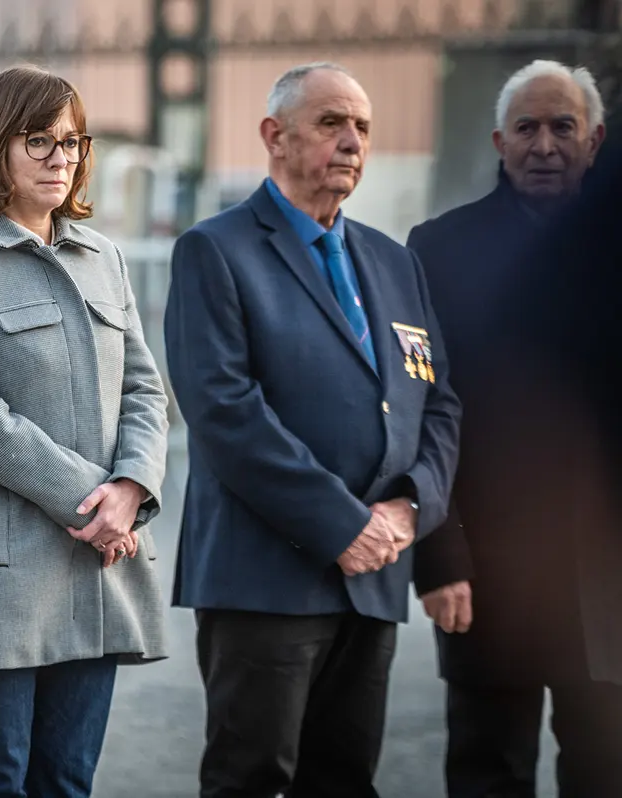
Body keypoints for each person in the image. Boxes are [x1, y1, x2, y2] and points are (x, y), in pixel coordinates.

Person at [164, 62, 462, 797]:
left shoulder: (394, 264)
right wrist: (340, 524)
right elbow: (224, 411)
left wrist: (410, 508)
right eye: (332, 123)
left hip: (374, 576)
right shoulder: (217, 250)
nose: (353, 141)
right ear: (275, 135)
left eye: (362, 127)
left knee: (346, 779)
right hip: (266, 578)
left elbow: (439, 402)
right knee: (251, 779)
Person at [0, 64, 170, 798]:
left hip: (99, 559)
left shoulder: (103, 257)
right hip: (6, 566)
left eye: (73, 142)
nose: (64, 159)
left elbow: (146, 389)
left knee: (65, 778)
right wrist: (96, 500)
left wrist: (132, 486)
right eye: (41, 142)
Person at [408, 59, 621, 797]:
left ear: (595, 141)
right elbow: (418, 409)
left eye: (564, 127)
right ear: (499, 142)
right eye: (526, 128)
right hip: (488, 574)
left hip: (608, 577)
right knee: (487, 773)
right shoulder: (438, 250)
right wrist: (437, 556)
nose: (544, 144)